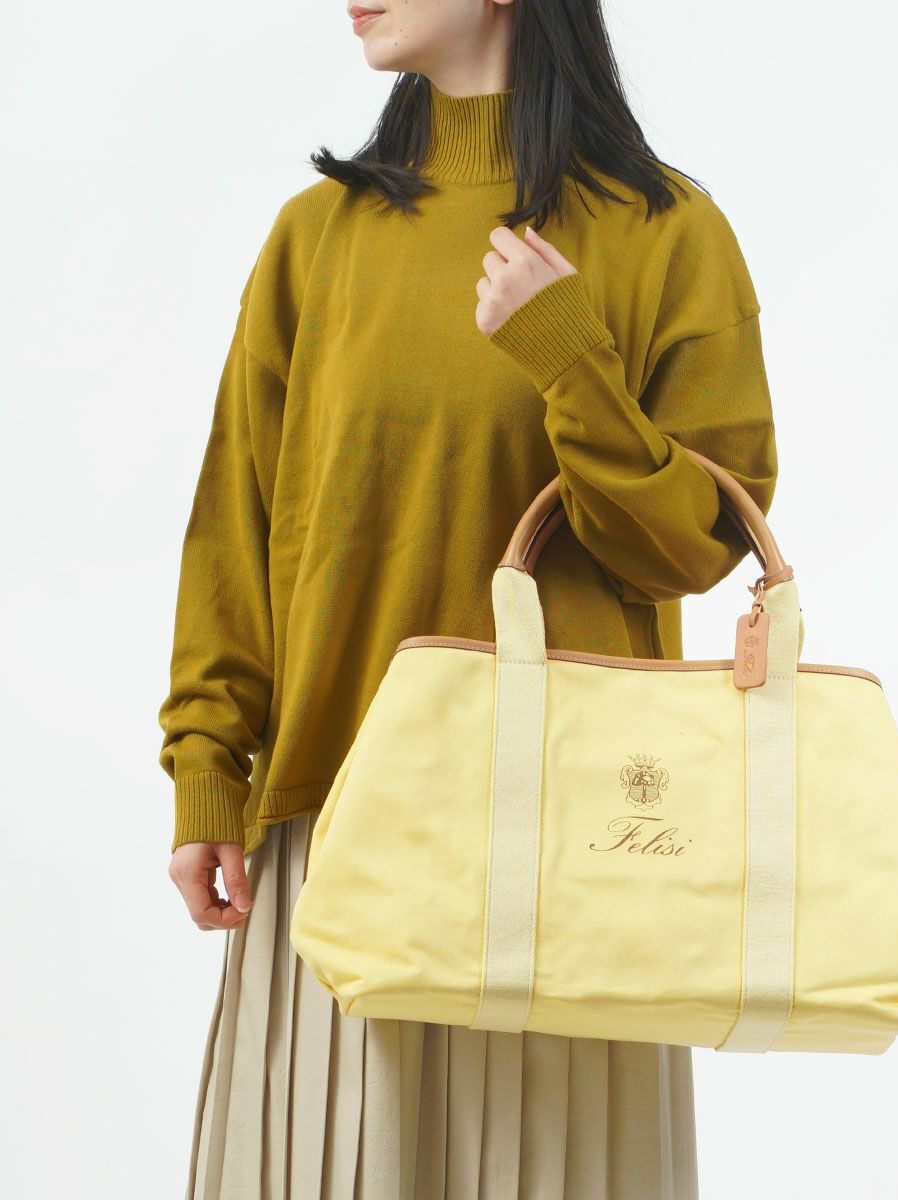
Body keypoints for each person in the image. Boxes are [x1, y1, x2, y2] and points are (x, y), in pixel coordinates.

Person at [157, 1, 778, 1196]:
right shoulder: (318, 236)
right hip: (337, 813)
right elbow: (239, 524)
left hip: (572, 840)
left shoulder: (665, 233)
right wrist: (206, 765)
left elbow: (694, 547)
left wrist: (566, 357)